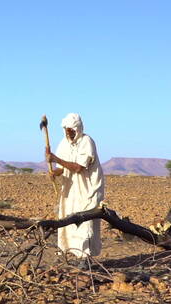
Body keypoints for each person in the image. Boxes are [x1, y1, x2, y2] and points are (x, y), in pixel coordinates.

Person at [45, 113, 104, 265]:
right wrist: (54, 173)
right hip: (70, 190)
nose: (68, 132)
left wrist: (55, 158)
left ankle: (85, 259)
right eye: (66, 129)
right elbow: (62, 169)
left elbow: (78, 168)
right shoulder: (63, 144)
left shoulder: (87, 141)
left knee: (85, 222)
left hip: (87, 190)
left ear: (78, 128)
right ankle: (69, 253)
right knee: (69, 220)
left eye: (71, 129)